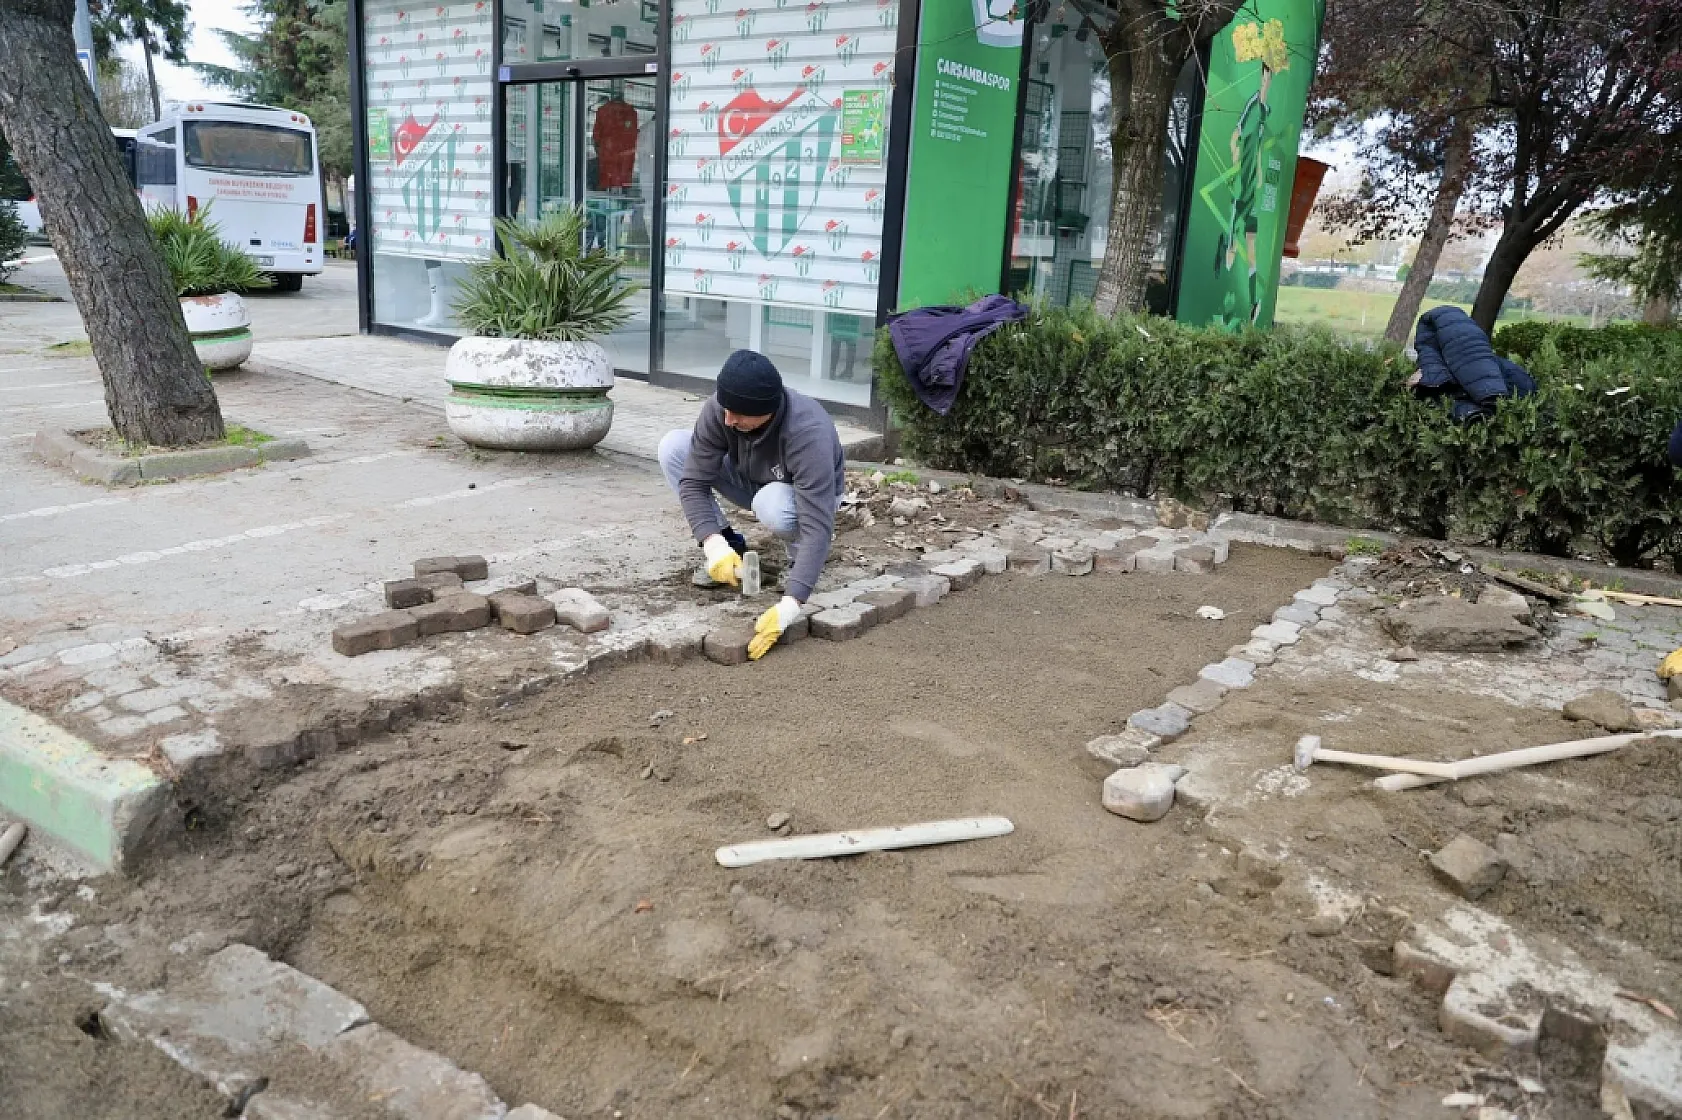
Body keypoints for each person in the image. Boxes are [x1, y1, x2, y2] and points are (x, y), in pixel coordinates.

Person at [658, 350, 846, 659]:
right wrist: (713, 544)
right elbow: (692, 482)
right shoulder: (723, 409)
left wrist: (790, 605)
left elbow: (817, 526)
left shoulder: (808, 433)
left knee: (773, 506)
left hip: (807, 499)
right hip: (750, 478)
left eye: (739, 414)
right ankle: (733, 551)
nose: (728, 420)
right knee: (675, 447)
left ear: (767, 411)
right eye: (726, 410)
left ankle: (800, 562)